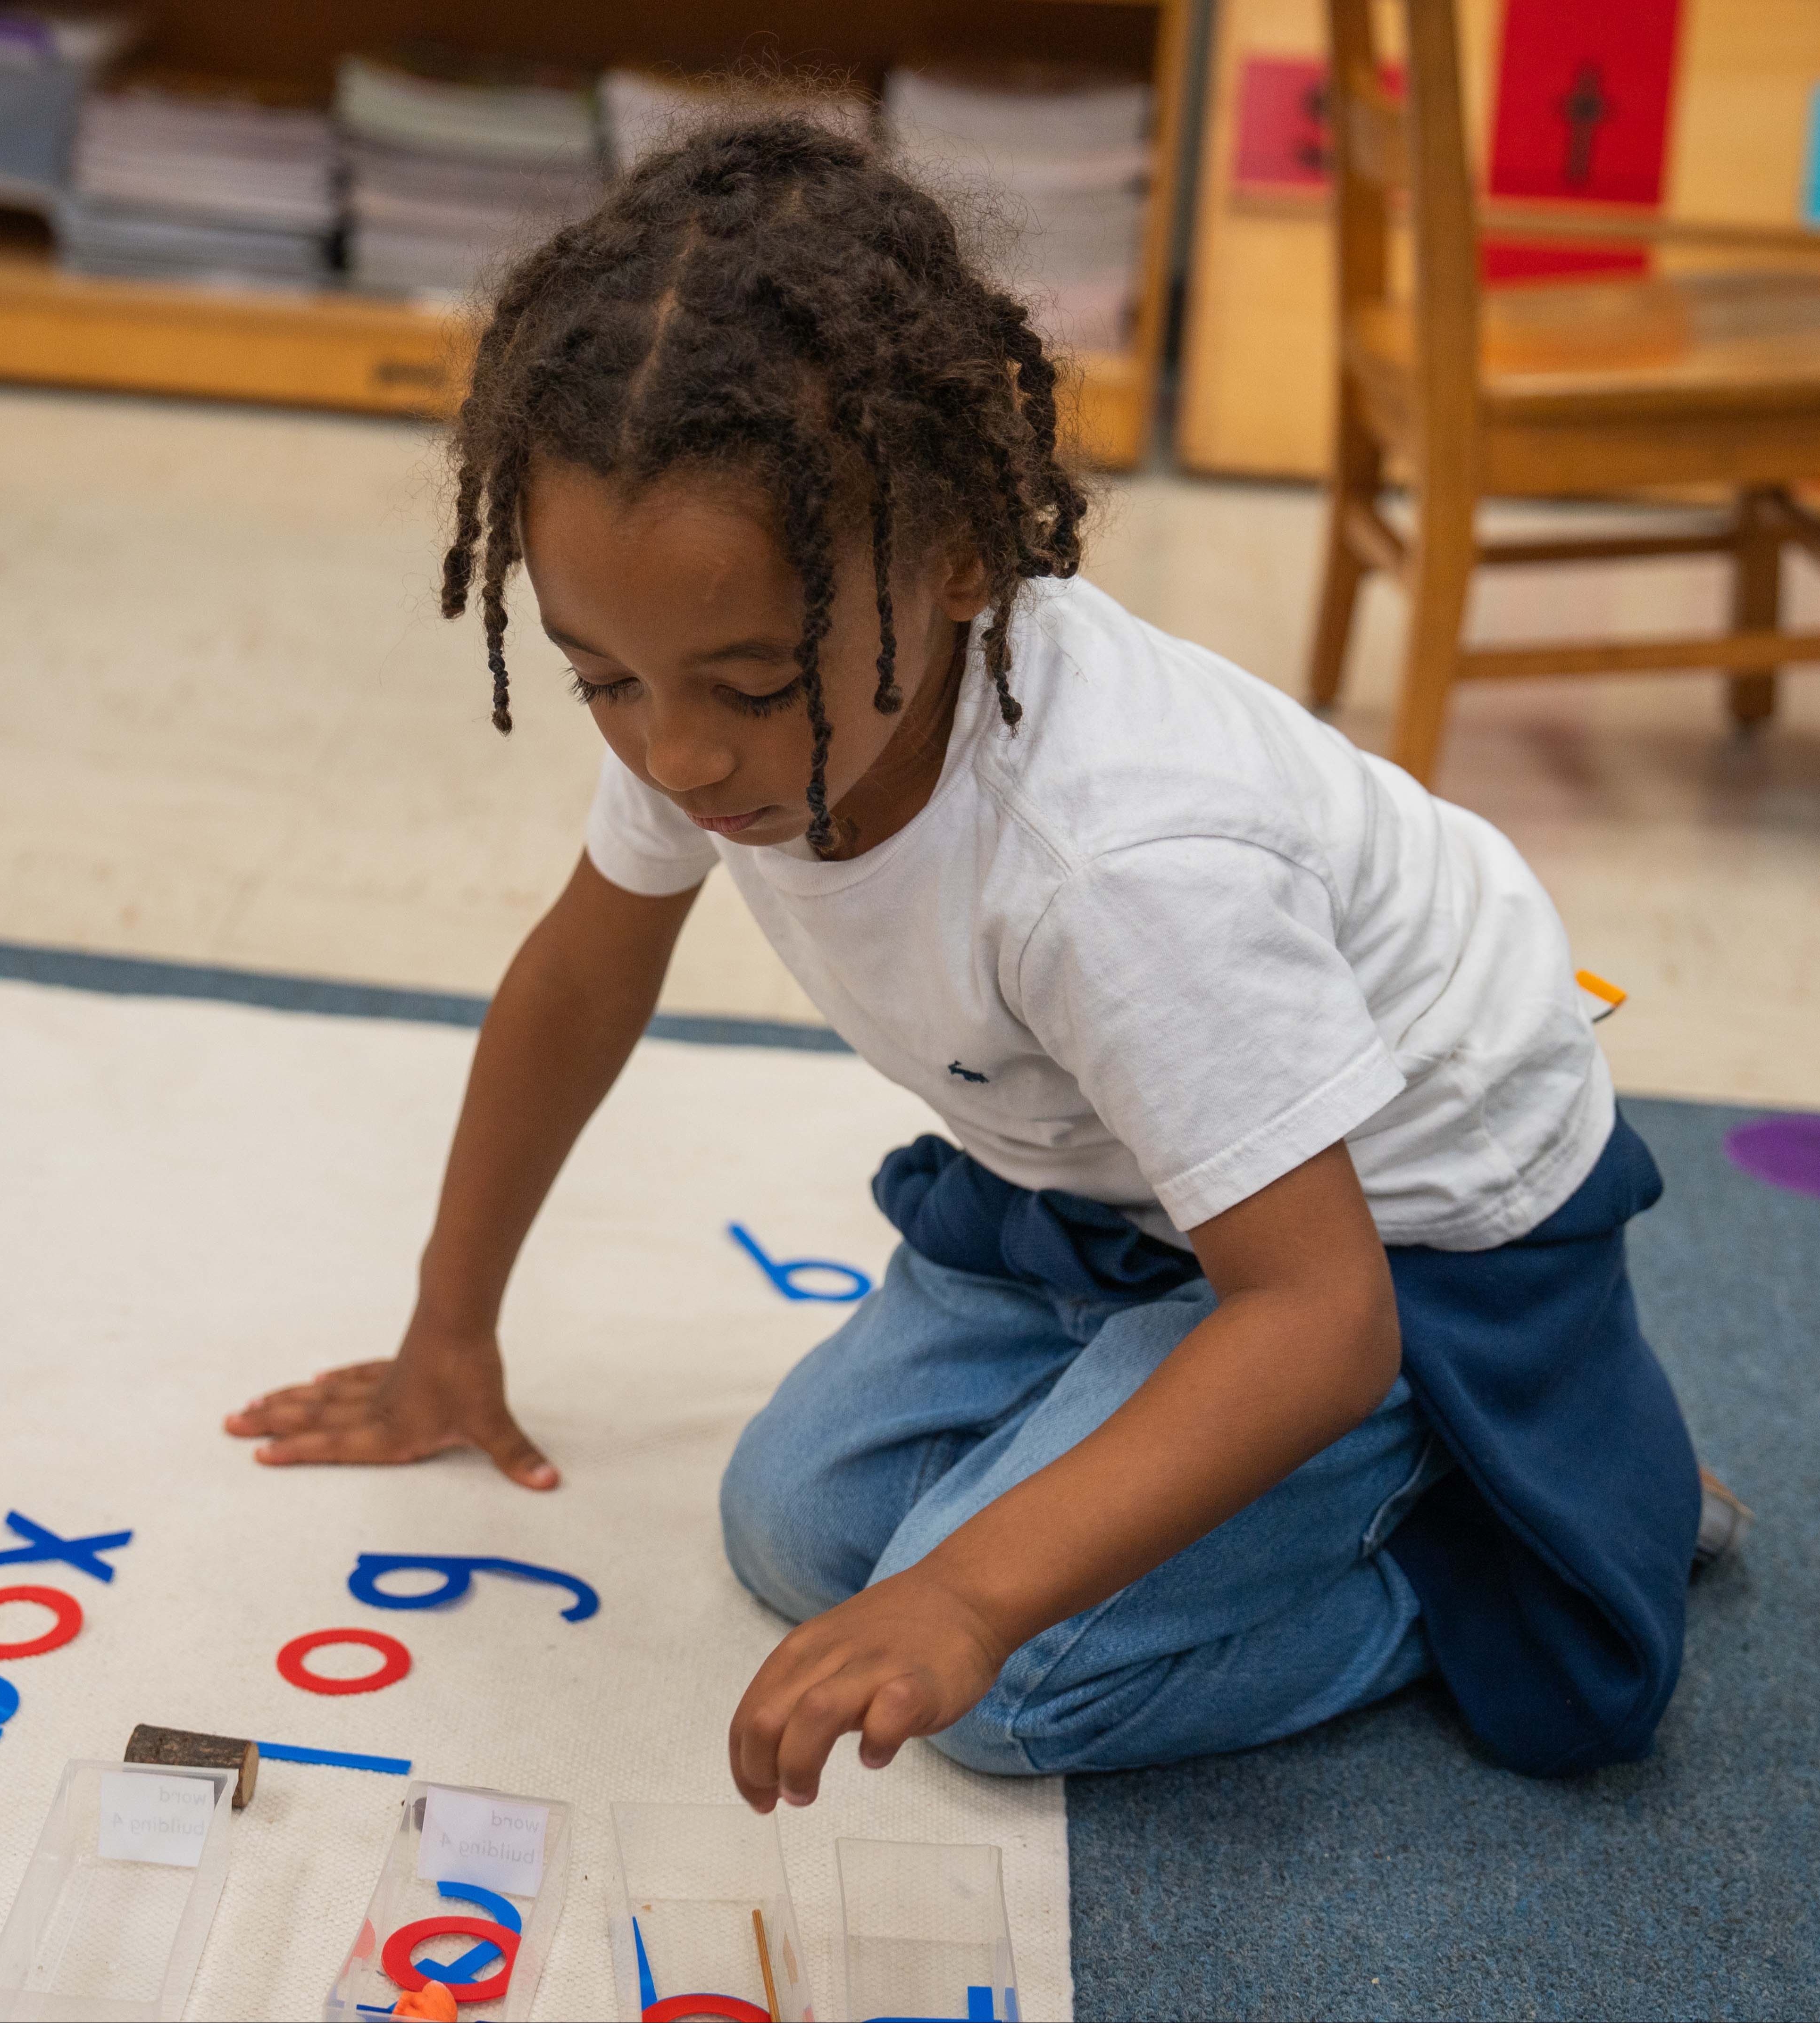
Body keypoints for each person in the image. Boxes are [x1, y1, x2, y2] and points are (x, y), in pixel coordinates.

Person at [225, 119, 1735, 1811]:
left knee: (1002, 1692)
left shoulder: (1116, 866)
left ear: (959, 562)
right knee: (798, 1533)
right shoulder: (717, 694)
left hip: (1404, 1246)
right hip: (1128, 1191)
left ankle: (1519, 1515)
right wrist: (450, 1324)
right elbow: (581, 979)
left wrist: (971, 1596)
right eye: (605, 681)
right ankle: (1161, 1413)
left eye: (736, 684)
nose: (678, 756)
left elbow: (1317, 1316)